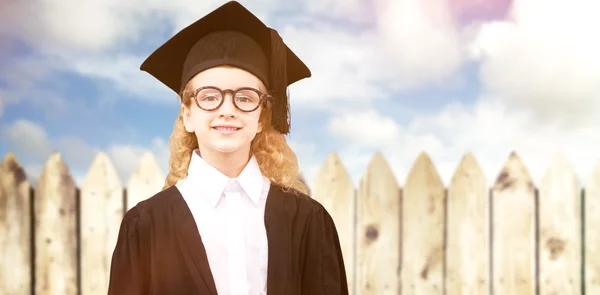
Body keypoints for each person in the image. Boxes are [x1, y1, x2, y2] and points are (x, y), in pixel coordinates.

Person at [106, 1, 348, 294]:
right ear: (187, 114)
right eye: (209, 97)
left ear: (262, 118)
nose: (227, 110)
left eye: (245, 98)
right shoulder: (145, 227)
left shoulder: (308, 222)